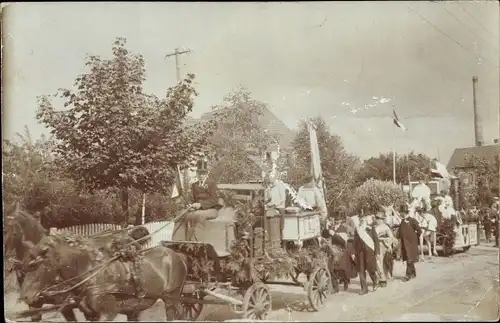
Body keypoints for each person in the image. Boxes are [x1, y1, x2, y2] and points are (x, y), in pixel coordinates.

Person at [172, 159, 222, 241]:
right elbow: (192, 199)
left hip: (211, 209)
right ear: (197, 173)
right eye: (200, 173)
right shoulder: (194, 185)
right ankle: (178, 241)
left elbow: (215, 200)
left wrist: (200, 205)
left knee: (198, 216)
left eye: (203, 173)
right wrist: (189, 205)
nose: (201, 175)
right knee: (180, 215)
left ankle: (196, 242)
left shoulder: (212, 184)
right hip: (197, 210)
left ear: (206, 173)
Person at [352, 213, 379, 295]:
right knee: (361, 270)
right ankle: (364, 288)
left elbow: (376, 240)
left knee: (371, 269)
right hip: (360, 252)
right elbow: (355, 242)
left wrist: (377, 252)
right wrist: (353, 252)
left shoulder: (371, 228)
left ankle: (375, 281)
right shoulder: (357, 229)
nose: (361, 219)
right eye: (360, 218)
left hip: (369, 251)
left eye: (363, 218)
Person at [398, 204, 422, 282]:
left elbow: (419, 231)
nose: (400, 214)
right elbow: (400, 232)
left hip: (411, 243)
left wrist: (414, 238)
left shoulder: (412, 220)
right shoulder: (402, 221)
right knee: (409, 257)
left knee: (409, 257)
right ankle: (413, 273)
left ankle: (408, 275)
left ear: (404, 212)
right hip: (404, 243)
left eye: (401, 212)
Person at [374, 211, 396, 287]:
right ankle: (380, 278)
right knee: (377, 262)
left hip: (383, 246)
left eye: (379, 218)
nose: (378, 220)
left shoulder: (386, 227)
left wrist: (383, 239)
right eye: (377, 218)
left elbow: (391, 237)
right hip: (376, 246)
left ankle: (383, 279)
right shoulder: (374, 227)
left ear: (383, 219)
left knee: (383, 263)